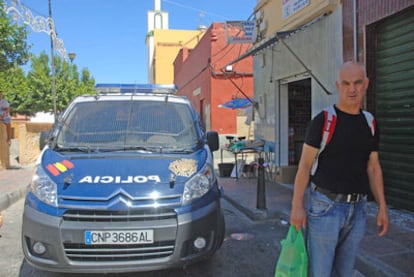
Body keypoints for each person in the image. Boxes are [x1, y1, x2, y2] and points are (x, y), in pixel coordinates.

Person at [289, 61, 389, 276]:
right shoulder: (323, 121)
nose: (352, 89)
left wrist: (382, 207)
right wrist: (297, 207)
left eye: (357, 83)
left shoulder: (370, 123)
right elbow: (305, 166)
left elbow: (373, 168)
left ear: (366, 84)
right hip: (325, 207)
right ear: (338, 85)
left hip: (358, 210)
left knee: (346, 272)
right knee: (320, 272)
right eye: (346, 83)